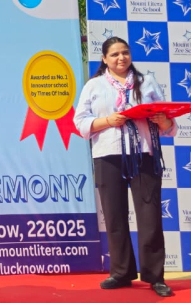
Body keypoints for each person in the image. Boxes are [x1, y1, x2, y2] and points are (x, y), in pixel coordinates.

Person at [73, 37, 176, 298]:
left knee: (150, 217)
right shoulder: (94, 85)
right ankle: (121, 272)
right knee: (115, 217)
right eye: (115, 54)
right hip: (108, 156)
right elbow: (80, 123)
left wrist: (163, 120)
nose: (121, 58)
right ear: (104, 59)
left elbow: (168, 124)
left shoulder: (146, 81)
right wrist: (108, 121)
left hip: (144, 154)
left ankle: (155, 276)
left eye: (125, 53)